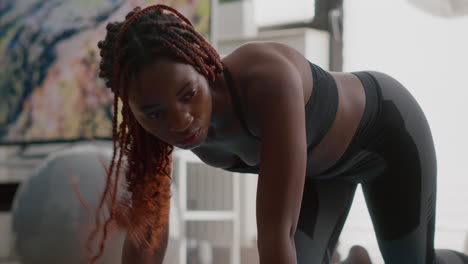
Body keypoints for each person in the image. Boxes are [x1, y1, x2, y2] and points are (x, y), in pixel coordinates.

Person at [90, 4, 468, 264]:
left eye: (189, 95)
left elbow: (274, 234)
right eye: (154, 113)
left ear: (203, 66)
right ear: (131, 109)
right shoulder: (152, 129)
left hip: (386, 137)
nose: (179, 122)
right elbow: (147, 240)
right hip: (319, 172)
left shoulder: (266, 80)